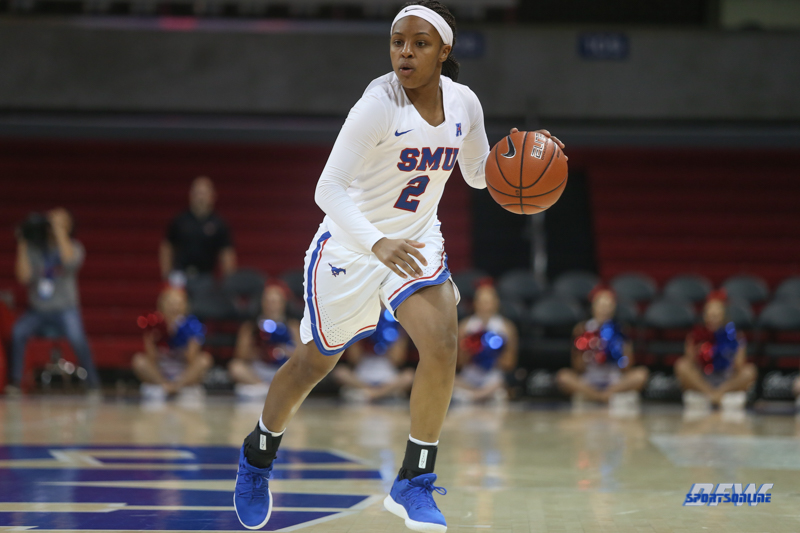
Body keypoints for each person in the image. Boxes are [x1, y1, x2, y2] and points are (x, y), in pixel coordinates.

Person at [232, 2, 565, 531]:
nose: (405, 52)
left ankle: (412, 482)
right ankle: (257, 456)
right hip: (350, 245)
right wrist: (376, 242)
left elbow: (479, 175)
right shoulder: (377, 105)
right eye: (397, 42)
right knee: (313, 364)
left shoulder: (465, 104)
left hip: (414, 240)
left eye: (419, 43)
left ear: (444, 51)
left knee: (442, 344)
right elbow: (328, 188)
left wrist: (525, 155)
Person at [9, 208, 100, 392]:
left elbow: (69, 262)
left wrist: (60, 232)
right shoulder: (35, 249)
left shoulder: (74, 247)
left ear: (69, 227)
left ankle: (93, 383)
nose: (53, 225)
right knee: (17, 332)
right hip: (38, 310)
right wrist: (23, 243)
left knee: (78, 338)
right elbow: (23, 277)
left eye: (60, 222)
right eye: (51, 221)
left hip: (65, 309)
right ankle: (15, 382)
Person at [556, 286, 648, 403]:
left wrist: (618, 352)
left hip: (614, 380)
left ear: (614, 308)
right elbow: (577, 367)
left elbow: (627, 367)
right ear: (593, 307)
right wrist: (586, 351)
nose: (604, 309)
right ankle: (600, 396)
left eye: (608, 305)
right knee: (563, 376)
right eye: (601, 305)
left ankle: (600, 395)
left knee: (641, 374)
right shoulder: (582, 329)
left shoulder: (621, 330)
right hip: (589, 379)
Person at [674, 290, 756, 408]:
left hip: (726, 378)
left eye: (716, 315)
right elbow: (689, 362)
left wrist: (725, 352)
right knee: (681, 365)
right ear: (704, 315)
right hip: (703, 378)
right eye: (709, 315)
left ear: (723, 315)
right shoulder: (695, 336)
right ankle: (710, 394)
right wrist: (699, 352)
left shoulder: (735, 336)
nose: (712, 318)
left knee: (750, 371)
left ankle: (720, 393)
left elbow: (739, 365)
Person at [131, 287, 213, 401]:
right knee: (138, 360)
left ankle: (177, 386)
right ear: (161, 306)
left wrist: (181, 336)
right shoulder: (153, 325)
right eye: (170, 303)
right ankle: (164, 384)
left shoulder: (193, 326)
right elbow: (152, 358)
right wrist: (154, 340)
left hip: (184, 372)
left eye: (179, 303)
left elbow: (191, 358)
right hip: (161, 370)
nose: (174, 307)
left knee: (205, 360)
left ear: (185, 306)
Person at [229, 282, 301, 399]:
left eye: (275, 301)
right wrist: (261, 352)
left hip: (283, 371)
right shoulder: (250, 326)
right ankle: (264, 387)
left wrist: (283, 351)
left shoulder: (293, 326)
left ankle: (266, 389)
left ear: (283, 304)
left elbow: (301, 355)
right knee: (235, 367)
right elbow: (240, 355)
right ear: (262, 303)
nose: (271, 305)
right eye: (268, 301)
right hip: (258, 370)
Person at [160, 176, 237, 284]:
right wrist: (166, 273)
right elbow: (167, 247)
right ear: (190, 195)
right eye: (197, 193)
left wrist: (229, 280)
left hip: (206, 277)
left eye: (204, 193)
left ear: (213, 196)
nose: (200, 197)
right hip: (180, 275)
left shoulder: (219, 224)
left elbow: (226, 253)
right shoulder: (180, 220)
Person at [332, 307, 415, 402]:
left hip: (388, 375)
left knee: (409, 375)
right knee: (340, 372)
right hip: (362, 375)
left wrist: (396, 334)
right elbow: (354, 360)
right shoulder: (359, 324)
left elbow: (397, 360)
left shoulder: (395, 325)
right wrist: (357, 333)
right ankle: (385, 393)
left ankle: (370, 394)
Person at [453, 281, 517, 403]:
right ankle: (481, 395)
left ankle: (473, 396)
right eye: (481, 301)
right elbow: (459, 362)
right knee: (449, 381)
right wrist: (472, 352)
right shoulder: (464, 327)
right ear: (475, 303)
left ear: (496, 303)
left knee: (500, 383)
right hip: (470, 376)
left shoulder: (506, 328)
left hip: (492, 376)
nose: (484, 306)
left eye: (488, 302)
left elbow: (510, 363)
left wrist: (488, 355)